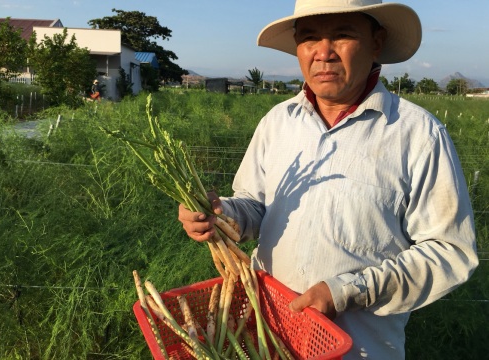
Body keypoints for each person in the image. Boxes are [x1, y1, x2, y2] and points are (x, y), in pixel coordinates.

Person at [178, 0, 479, 358]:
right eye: (309, 39)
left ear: (376, 42)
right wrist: (220, 214)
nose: (323, 53)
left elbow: (449, 251)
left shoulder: (417, 135)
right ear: (297, 48)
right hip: (268, 337)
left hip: (359, 349)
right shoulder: (278, 122)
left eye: (342, 35)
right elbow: (256, 206)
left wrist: (346, 291)